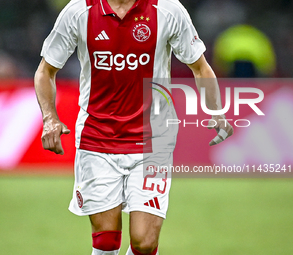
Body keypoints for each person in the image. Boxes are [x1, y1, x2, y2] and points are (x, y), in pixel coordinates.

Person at [34, 0, 233, 254]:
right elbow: (45, 71)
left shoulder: (168, 9)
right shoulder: (79, 10)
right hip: (97, 140)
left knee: (145, 243)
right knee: (106, 242)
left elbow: (200, 67)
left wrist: (216, 110)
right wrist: (50, 117)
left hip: (153, 140)